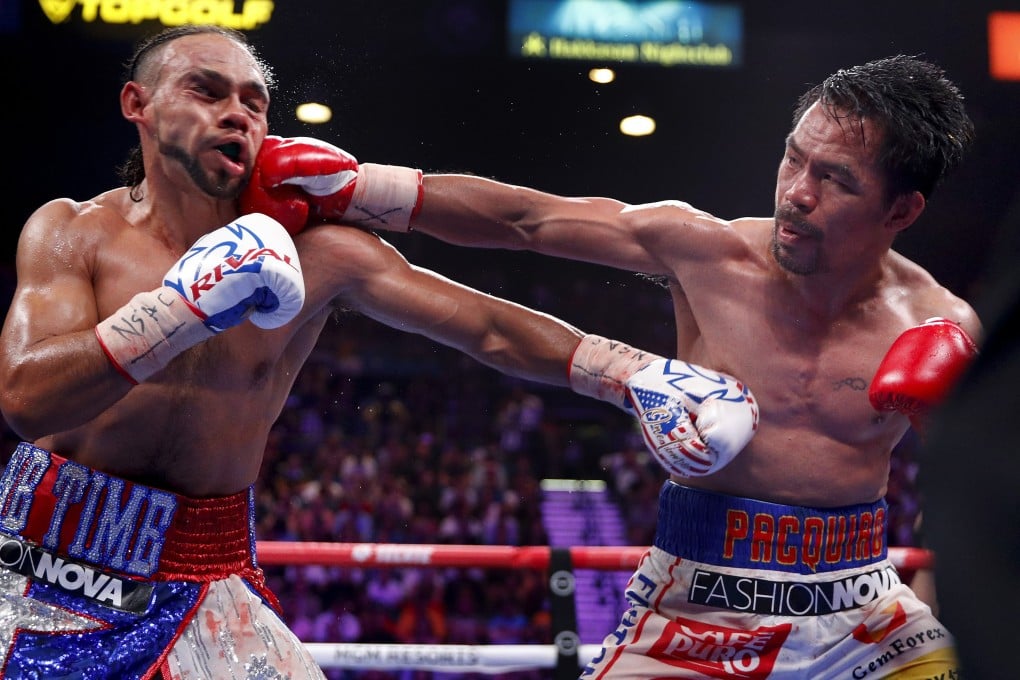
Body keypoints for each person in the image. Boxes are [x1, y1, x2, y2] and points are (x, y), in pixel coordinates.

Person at [0, 26, 758, 679]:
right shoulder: (74, 232)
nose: (236, 112)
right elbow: (28, 400)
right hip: (44, 558)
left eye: (253, 101)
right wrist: (176, 310)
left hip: (205, 569)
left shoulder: (320, 252)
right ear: (139, 105)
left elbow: (483, 325)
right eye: (206, 90)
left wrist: (630, 372)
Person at [245, 55, 982, 677]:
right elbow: (526, 221)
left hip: (866, 614)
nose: (796, 192)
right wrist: (361, 188)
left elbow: (981, 496)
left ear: (902, 210)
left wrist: (940, 574)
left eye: (836, 180)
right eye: (794, 156)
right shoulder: (707, 253)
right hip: (697, 608)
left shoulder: (937, 325)